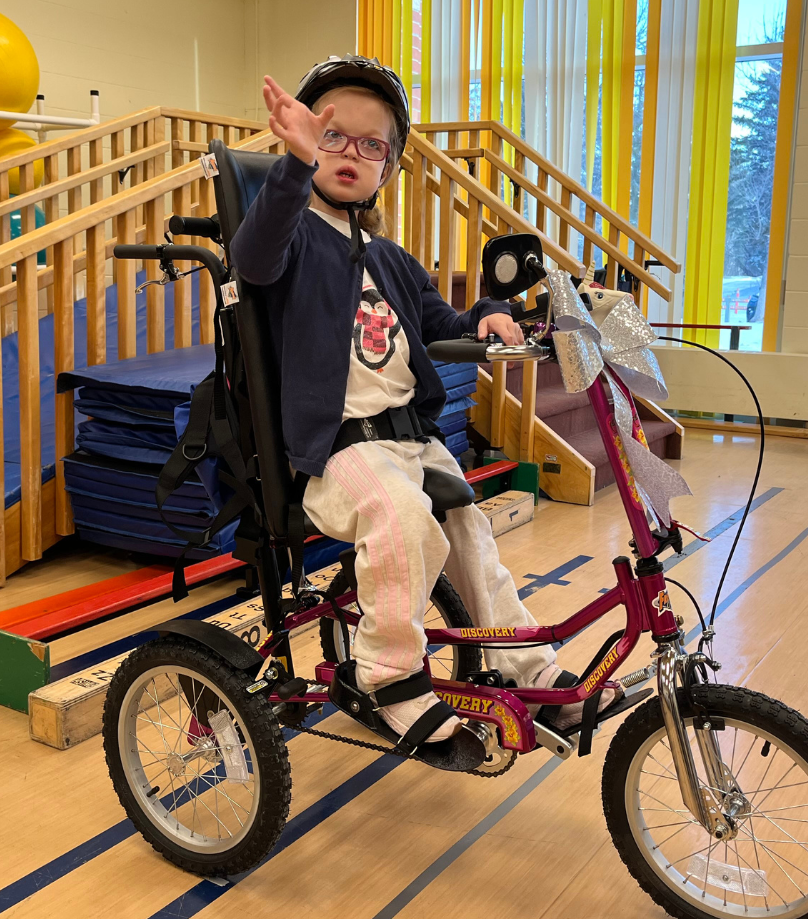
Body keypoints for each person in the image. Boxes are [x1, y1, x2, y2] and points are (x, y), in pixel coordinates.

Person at [230, 55, 616, 749]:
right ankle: (388, 676)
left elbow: (444, 320)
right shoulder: (290, 237)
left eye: (371, 144)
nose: (350, 153)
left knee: (471, 541)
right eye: (332, 135)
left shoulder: (390, 257)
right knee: (402, 516)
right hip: (336, 453)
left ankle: (532, 673)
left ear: (390, 165)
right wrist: (290, 167)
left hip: (412, 443)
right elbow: (253, 259)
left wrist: (491, 315)